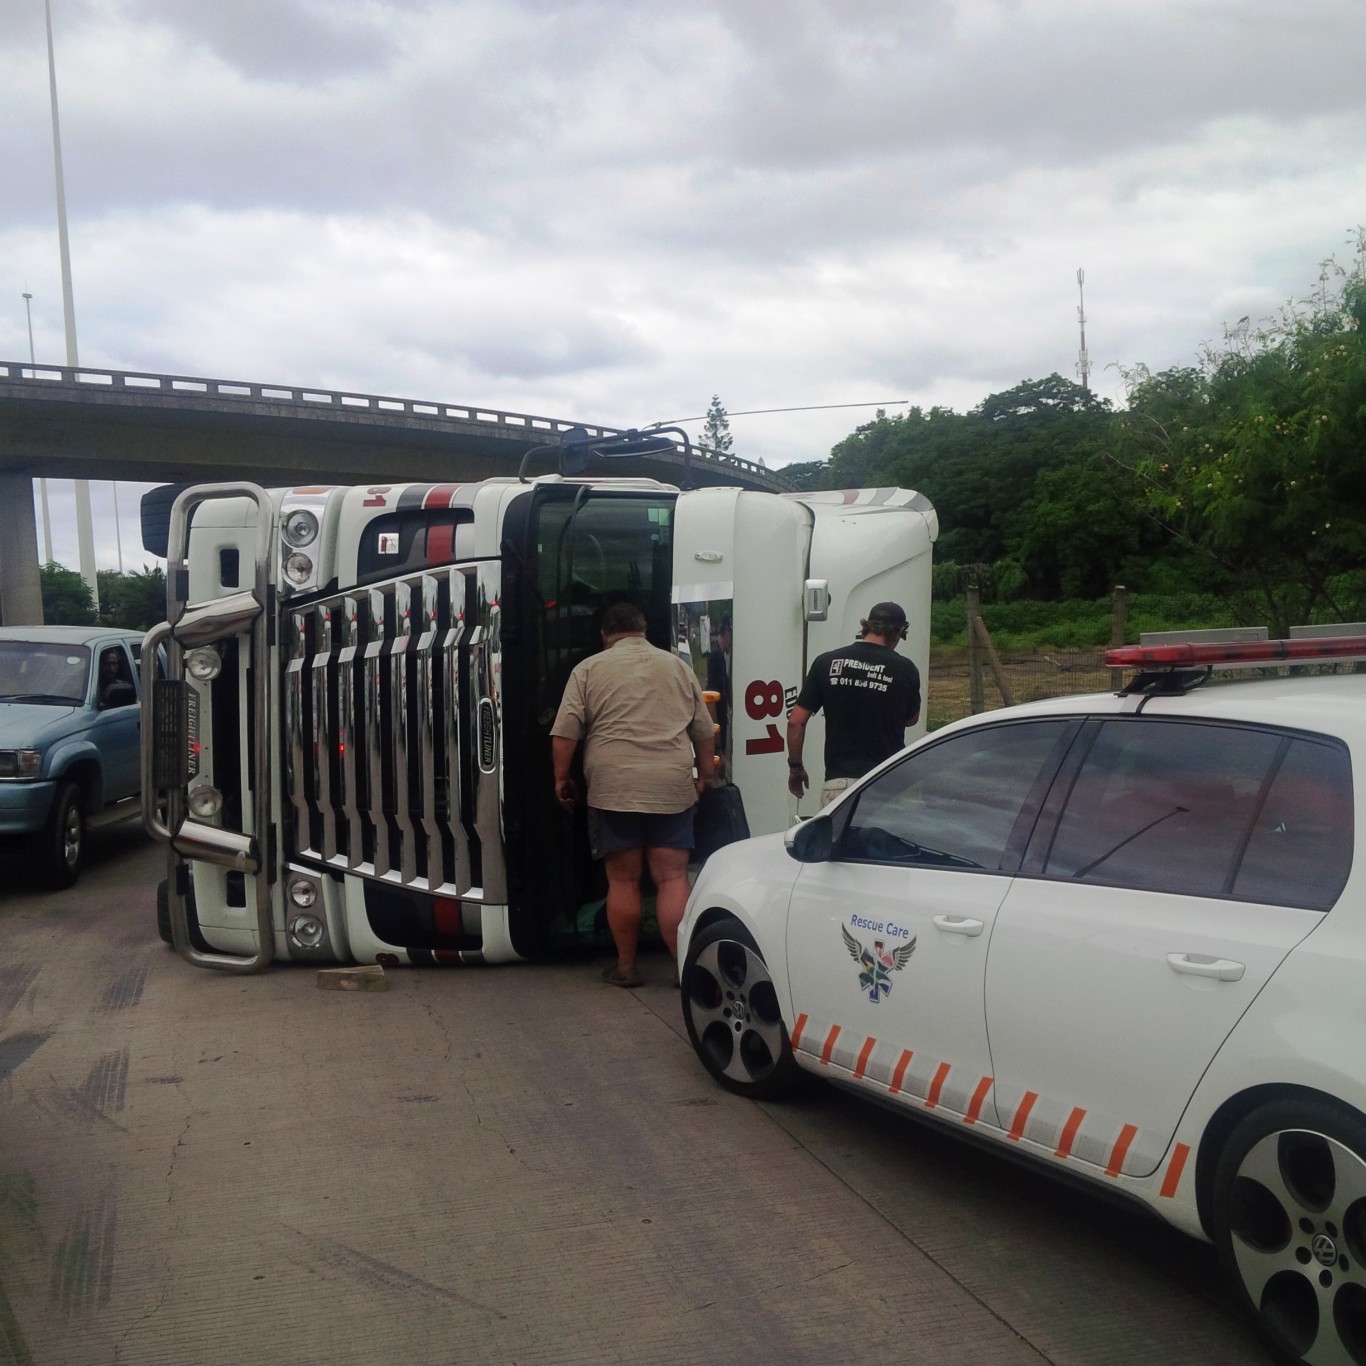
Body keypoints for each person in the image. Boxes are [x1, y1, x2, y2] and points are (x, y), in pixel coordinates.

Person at [551, 602, 716, 988]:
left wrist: (562, 778)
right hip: (670, 786)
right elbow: (703, 731)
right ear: (643, 631)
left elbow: (566, 731)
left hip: (614, 787)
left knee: (623, 882)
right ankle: (682, 968)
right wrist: (705, 776)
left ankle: (626, 967)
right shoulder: (677, 667)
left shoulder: (589, 669)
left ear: (605, 635)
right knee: (672, 877)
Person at [786, 601, 921, 808]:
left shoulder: (826, 662)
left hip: (840, 785)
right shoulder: (905, 668)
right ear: (899, 631)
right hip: (889, 781)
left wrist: (796, 768)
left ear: (868, 626)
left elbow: (796, 722)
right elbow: (912, 719)